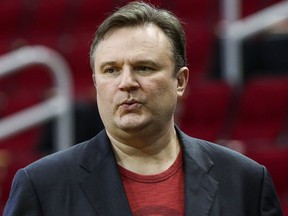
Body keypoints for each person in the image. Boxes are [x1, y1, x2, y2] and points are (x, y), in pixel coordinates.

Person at [3, 1, 283, 215]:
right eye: (111, 70)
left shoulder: (246, 181)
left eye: (144, 67)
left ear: (180, 81)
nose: (127, 83)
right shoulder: (41, 186)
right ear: (96, 83)